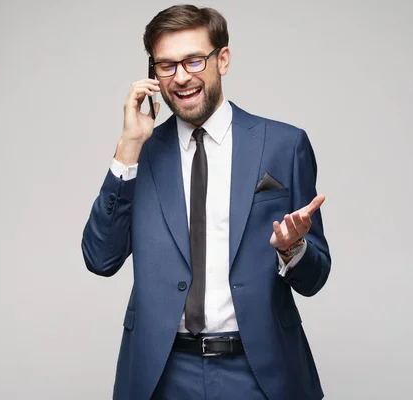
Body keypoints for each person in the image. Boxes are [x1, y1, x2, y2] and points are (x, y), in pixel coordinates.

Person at [81, 4, 331, 400]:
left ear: (223, 59)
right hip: (162, 373)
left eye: (194, 60)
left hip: (259, 370)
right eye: (166, 66)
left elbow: (315, 277)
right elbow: (100, 258)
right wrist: (128, 147)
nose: (181, 77)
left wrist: (293, 248)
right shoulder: (140, 153)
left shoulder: (284, 145)